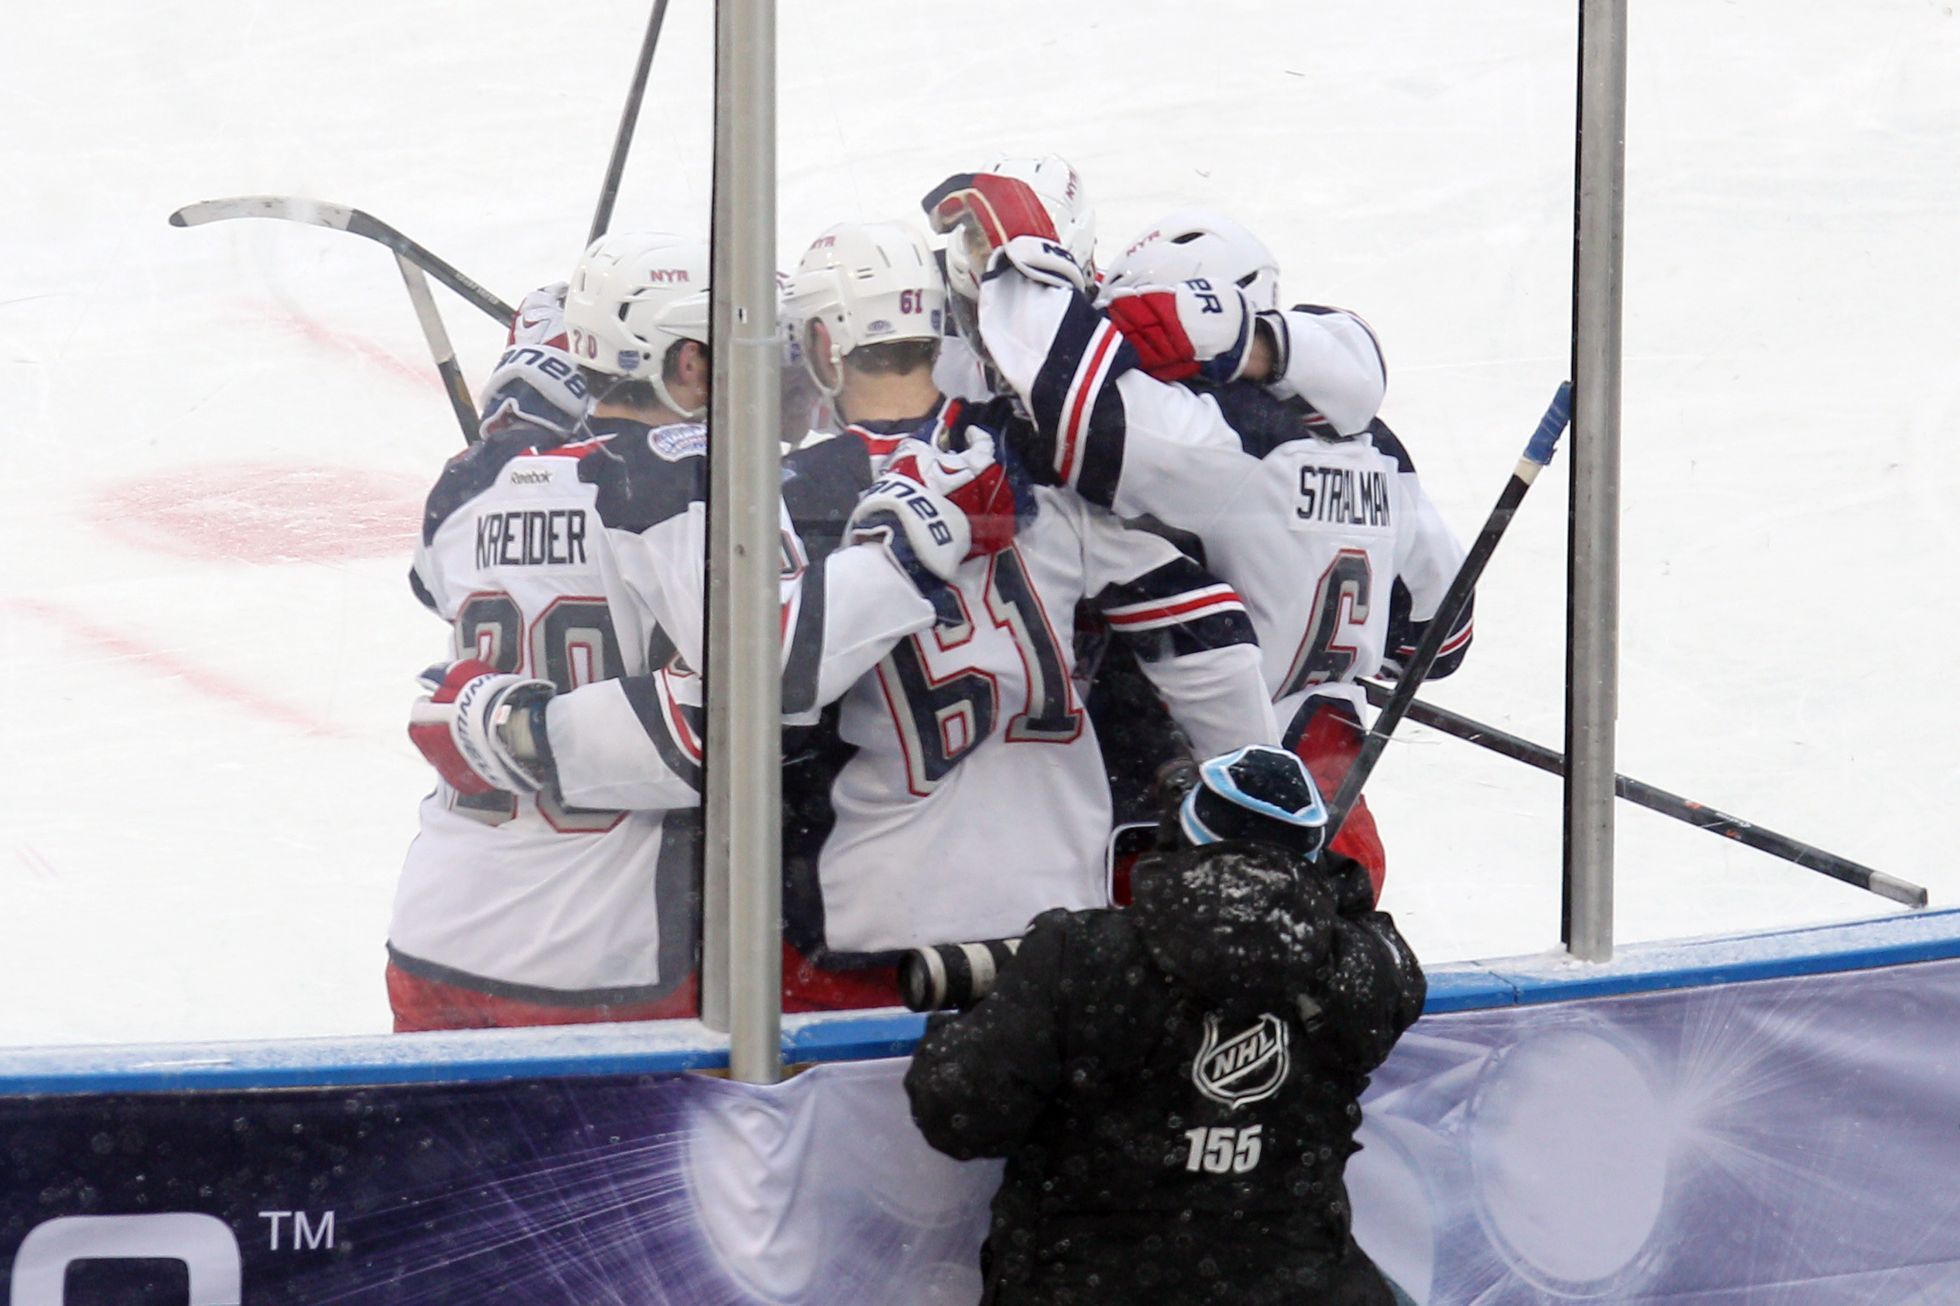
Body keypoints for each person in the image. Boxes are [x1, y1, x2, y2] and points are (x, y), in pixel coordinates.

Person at [387, 230, 975, 1030]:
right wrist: (899, 555)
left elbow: (434, 581)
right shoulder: (693, 477)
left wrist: (521, 419)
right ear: (691, 363)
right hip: (590, 960)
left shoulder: (473, 480)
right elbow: (773, 677)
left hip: (434, 932)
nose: (779, 371)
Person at [770, 219, 1279, 1008]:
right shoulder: (1038, 461)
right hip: (1055, 917)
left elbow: (756, 685)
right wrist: (1256, 807)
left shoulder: (789, 493)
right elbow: (1207, 635)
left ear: (823, 344)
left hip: (876, 919)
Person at [924, 171, 1470, 902]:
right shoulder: (1380, 450)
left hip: (1210, 829)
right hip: (1340, 825)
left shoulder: (1218, 442)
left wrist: (1022, 260)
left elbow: (1082, 414)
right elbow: (1438, 640)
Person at [905, 744, 1424, 1304]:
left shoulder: (1080, 955)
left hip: (1087, 1286)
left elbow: (961, 1115)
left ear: (1182, 836)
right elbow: (1367, 923)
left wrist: (976, 1023)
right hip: (1296, 1285)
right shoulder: (1363, 968)